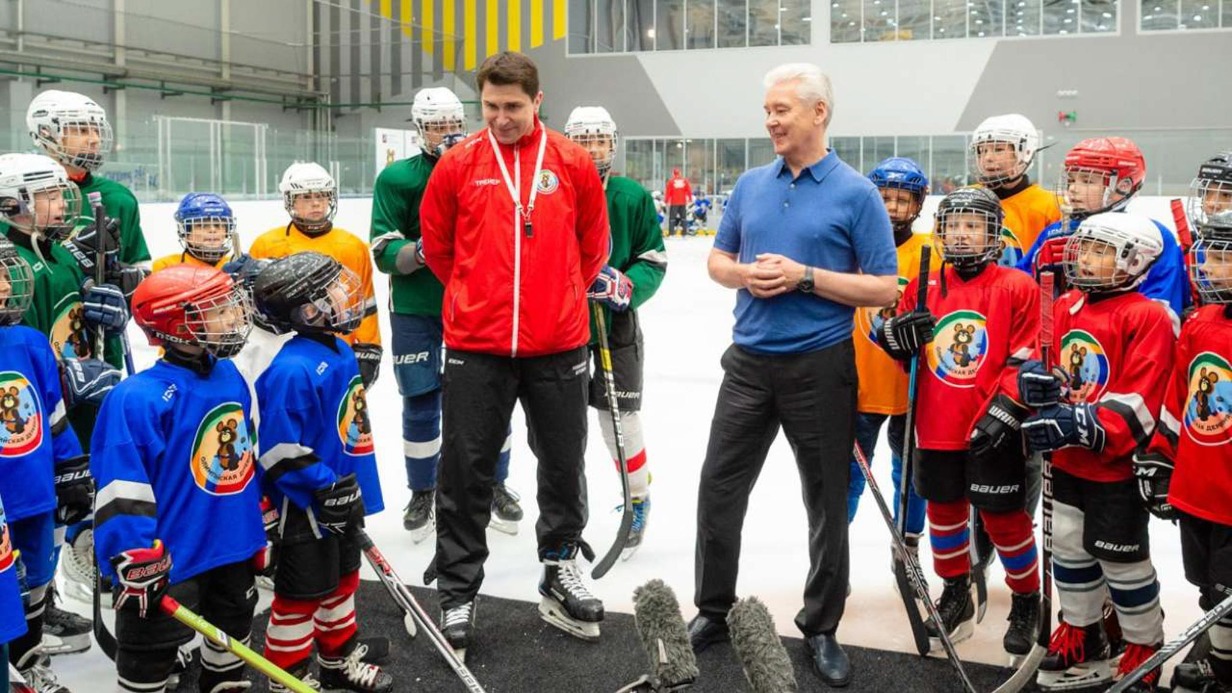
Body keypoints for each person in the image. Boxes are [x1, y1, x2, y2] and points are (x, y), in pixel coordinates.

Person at [689, 62, 897, 688]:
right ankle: (713, 610)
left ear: (818, 113)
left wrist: (806, 276)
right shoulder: (751, 185)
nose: (771, 121)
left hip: (821, 368)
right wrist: (743, 274)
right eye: (767, 111)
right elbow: (717, 260)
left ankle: (822, 626)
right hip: (748, 365)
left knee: (826, 503)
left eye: (782, 110)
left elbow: (884, 288)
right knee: (718, 490)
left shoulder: (857, 193)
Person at [419, 51, 610, 655]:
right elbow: (439, 248)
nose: (501, 118)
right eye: (491, 106)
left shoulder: (573, 163)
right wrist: (479, 297)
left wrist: (554, 299)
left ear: (537, 101)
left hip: (558, 344)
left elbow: (593, 248)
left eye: (513, 107)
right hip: (477, 345)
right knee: (466, 469)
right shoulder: (457, 164)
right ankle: (457, 587)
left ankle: (558, 567)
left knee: (561, 463)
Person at [879, 186, 1042, 659]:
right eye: (955, 225)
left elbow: (1026, 354)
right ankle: (955, 594)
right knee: (943, 515)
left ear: (994, 233)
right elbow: (906, 356)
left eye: (975, 225)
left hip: (993, 426)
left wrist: (1007, 408)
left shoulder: (1017, 285)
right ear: (941, 232)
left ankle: (1028, 600)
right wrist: (896, 339)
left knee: (1005, 520)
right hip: (936, 422)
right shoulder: (923, 283)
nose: (963, 235)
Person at [1016, 212, 1172, 691]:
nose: (1086, 257)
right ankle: (1080, 631)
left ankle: (1143, 644)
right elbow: (1034, 360)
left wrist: (1080, 421)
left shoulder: (1149, 316)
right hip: (1067, 460)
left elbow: (1144, 397)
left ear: (1135, 260)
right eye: (1085, 248)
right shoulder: (1065, 305)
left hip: (1115, 469)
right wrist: (1030, 384)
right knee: (1066, 545)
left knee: (1122, 560)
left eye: (1101, 251)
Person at [90, 264, 262, 693]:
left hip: (231, 548)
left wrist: (258, 523)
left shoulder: (229, 375)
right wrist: (131, 555)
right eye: (216, 309)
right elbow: (120, 487)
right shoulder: (137, 398)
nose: (233, 316)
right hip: (166, 562)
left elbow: (243, 457)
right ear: (176, 324)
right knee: (147, 668)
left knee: (229, 659)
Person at [369, 86, 522, 543]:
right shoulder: (397, 178)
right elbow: (382, 249)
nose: (446, 134)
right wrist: (422, 250)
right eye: (436, 126)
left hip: (478, 303)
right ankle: (422, 489)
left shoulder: (490, 170)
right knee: (420, 399)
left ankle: (495, 482)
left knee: (491, 397)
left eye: (453, 124)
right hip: (417, 307)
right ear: (419, 128)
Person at [250, 253, 392, 692]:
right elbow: (276, 448)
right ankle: (287, 678)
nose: (346, 294)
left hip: (344, 494)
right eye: (332, 288)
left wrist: (347, 489)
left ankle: (336, 662)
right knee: (300, 597)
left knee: (343, 581)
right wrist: (325, 485)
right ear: (306, 309)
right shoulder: (291, 369)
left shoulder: (340, 348)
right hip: (308, 506)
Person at [0, 152, 124, 648]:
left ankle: (46, 592)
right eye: (47, 195)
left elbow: (83, 320)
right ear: (12, 202)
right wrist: (65, 377)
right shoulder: (8, 262)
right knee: (30, 513)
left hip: (71, 410)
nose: (60, 204)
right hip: (28, 419)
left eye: (60, 192)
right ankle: (30, 609)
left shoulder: (65, 253)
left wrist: (112, 311)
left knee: (63, 507)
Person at [564, 105, 668, 559]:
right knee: (563, 427)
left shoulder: (630, 196)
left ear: (613, 143)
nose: (591, 150)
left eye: (599, 140)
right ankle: (566, 511)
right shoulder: (550, 191)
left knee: (618, 420)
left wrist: (628, 284)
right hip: (561, 328)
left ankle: (637, 497)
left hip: (615, 324)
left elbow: (654, 259)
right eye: (582, 140)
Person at [1140, 216, 1232, 692]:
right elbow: (1178, 400)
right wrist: (1160, 456)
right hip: (1198, 490)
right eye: (1211, 257)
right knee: (1208, 590)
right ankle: (1220, 660)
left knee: (1226, 592)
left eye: (1226, 259)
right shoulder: (1200, 322)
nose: (1213, 269)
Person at [0, 238, 94, 692]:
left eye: (4, 274)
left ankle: (30, 664)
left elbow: (53, 415)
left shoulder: (30, 342)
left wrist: (72, 467)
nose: (3, 285)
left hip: (34, 491)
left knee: (36, 578)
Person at [847, 158, 930, 560]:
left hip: (912, 388)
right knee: (845, 477)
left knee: (912, 476)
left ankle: (908, 544)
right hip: (859, 384)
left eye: (902, 200)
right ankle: (834, 548)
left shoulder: (933, 253)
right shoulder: (851, 248)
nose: (893, 208)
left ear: (918, 204)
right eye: (884, 198)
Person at [1020, 137, 1189, 328]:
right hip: (1065, 340)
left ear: (1123, 186)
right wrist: (1037, 269)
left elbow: (1164, 311)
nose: (1073, 189)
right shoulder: (1056, 232)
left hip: (1118, 343)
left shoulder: (1152, 236)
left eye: (1087, 181)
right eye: (1071, 179)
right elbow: (1017, 290)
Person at [249, 163, 382, 389]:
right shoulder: (267, 244)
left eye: (322, 195)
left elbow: (365, 302)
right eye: (306, 197)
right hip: (285, 356)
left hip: (338, 349)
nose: (316, 203)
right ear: (290, 201)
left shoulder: (352, 245)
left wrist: (370, 347)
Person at [968, 114, 1061, 267]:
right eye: (981, 151)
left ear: (1025, 152)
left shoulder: (1051, 206)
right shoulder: (963, 199)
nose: (987, 158)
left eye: (998, 149)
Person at [152, 193, 239, 272]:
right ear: (186, 232)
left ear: (227, 232)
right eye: (202, 226)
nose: (212, 230)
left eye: (217, 225)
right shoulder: (167, 266)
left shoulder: (236, 265)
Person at [664, 168, 692, 237]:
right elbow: (688, 190)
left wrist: (666, 201)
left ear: (673, 173)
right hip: (683, 202)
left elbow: (668, 192)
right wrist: (690, 198)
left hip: (674, 202)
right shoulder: (684, 181)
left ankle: (672, 234)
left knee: (672, 218)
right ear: (679, 173)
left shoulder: (671, 182)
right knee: (683, 218)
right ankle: (684, 234)